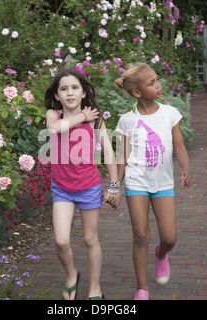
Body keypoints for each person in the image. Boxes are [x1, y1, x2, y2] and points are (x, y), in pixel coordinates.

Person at [114, 63, 192, 300]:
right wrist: (115, 186)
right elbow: (122, 158)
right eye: (151, 83)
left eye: (157, 80)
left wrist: (185, 167)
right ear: (137, 92)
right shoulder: (127, 120)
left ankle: (160, 254)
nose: (158, 85)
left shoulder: (170, 113)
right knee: (140, 235)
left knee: (169, 238)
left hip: (164, 183)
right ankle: (142, 288)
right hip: (137, 183)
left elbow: (178, 145)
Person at [45, 68, 121, 300]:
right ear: (57, 96)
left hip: (89, 186)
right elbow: (53, 129)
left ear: (84, 92)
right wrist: (81, 117)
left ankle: (95, 288)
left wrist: (115, 185)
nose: (70, 93)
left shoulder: (96, 120)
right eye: (64, 89)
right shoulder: (53, 115)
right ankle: (71, 276)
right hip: (62, 189)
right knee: (61, 240)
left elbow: (108, 152)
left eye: (75, 88)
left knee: (90, 239)